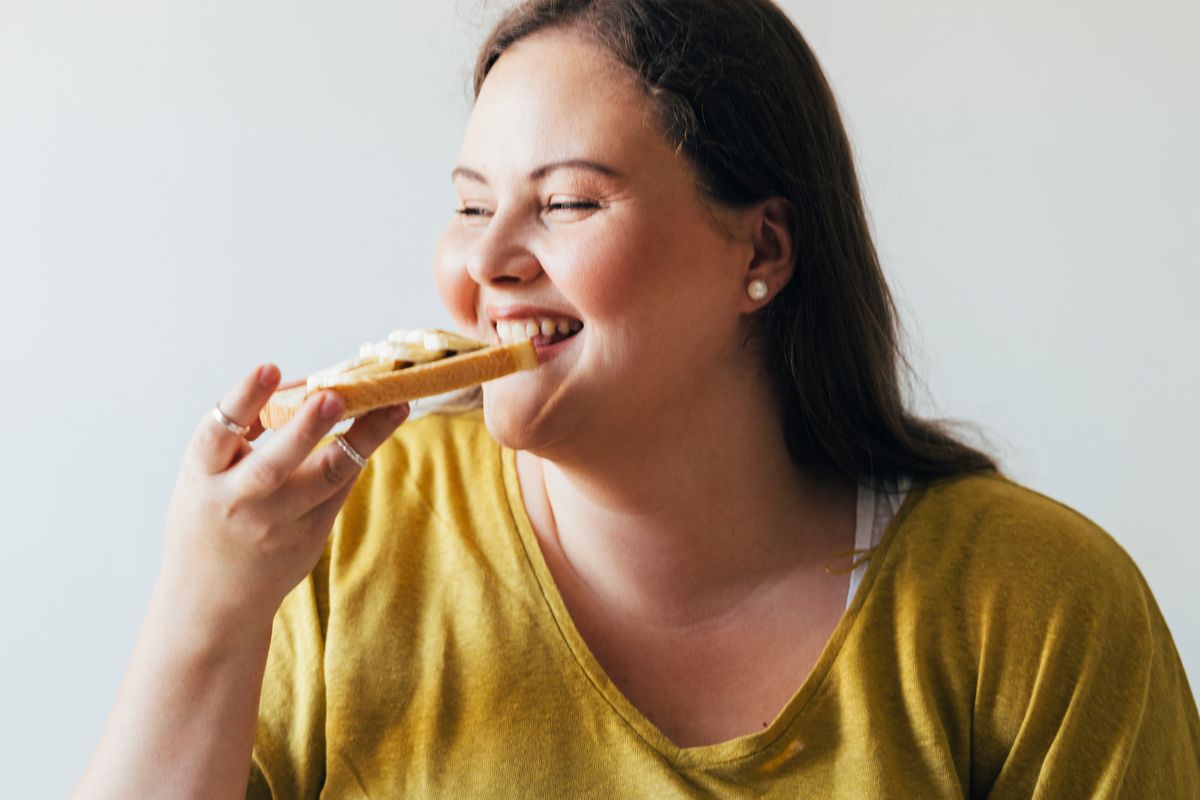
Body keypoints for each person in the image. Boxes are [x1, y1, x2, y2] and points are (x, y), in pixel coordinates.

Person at [76, 0, 1200, 797]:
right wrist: (208, 602)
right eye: (472, 207)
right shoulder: (350, 533)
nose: (491, 264)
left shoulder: (1041, 609)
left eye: (566, 202)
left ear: (761, 247)